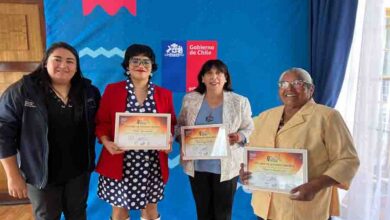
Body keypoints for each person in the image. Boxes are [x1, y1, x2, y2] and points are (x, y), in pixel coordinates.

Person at [240, 67, 360, 220]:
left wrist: (315, 186)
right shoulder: (266, 116)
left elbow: (348, 160)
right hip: (266, 208)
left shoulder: (328, 117)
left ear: (311, 89)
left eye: (297, 83)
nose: (289, 88)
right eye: (283, 84)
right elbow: (252, 152)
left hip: (305, 209)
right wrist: (245, 171)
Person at [0, 42, 101, 220]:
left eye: (70, 61)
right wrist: (13, 175)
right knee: (47, 217)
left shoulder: (89, 92)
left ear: (76, 67)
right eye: (57, 59)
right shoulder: (23, 91)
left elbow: (102, 123)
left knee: (78, 215)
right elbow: (3, 134)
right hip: (40, 174)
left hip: (78, 172)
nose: (63, 65)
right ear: (45, 62)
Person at [95, 44, 177, 220]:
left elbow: (171, 125)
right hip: (119, 160)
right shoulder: (113, 90)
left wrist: (168, 140)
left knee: (150, 211)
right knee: (119, 212)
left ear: (152, 67)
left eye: (146, 61)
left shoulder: (164, 94)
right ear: (127, 66)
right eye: (135, 60)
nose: (141, 65)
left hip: (152, 164)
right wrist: (106, 142)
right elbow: (102, 123)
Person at [175, 59, 254, 220]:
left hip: (227, 167)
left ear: (226, 78)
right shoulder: (190, 100)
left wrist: (240, 136)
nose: (214, 77)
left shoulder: (239, 101)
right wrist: (182, 139)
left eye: (219, 73)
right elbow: (179, 126)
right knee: (203, 213)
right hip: (197, 167)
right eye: (209, 73)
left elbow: (249, 128)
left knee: (223, 215)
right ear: (202, 78)